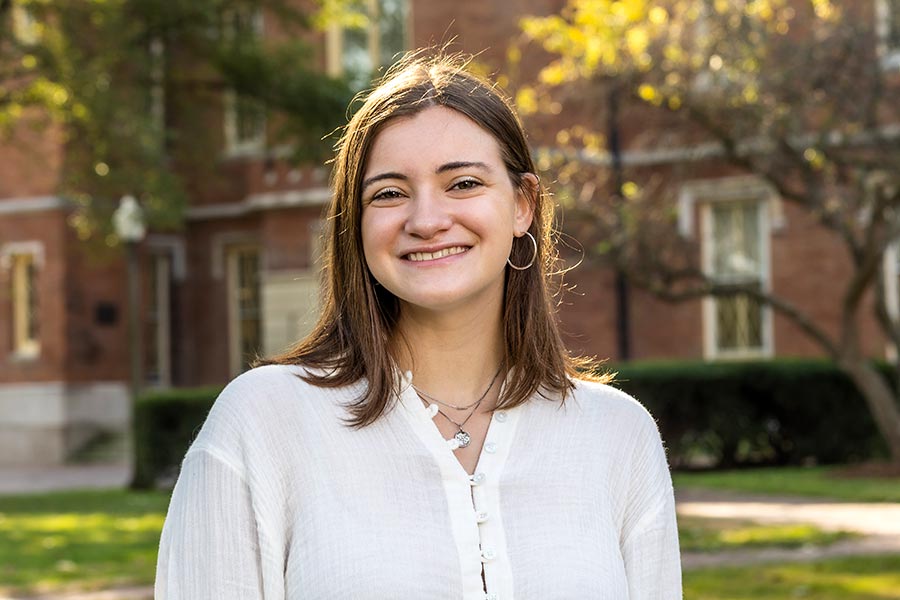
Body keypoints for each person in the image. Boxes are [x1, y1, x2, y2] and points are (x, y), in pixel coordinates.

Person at [155, 52, 682, 599]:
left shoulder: (618, 436)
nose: (426, 220)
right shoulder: (263, 424)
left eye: (463, 184)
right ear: (355, 224)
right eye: (389, 193)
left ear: (523, 205)